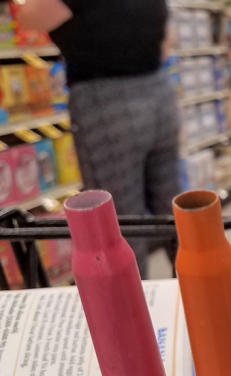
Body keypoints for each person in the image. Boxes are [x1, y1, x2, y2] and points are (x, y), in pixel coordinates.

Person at [17, 0, 179, 275]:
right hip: (160, 93)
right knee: (173, 209)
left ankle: (131, 311)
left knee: (118, 222)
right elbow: (166, 43)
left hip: (107, 103)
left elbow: (31, 17)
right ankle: (199, 298)